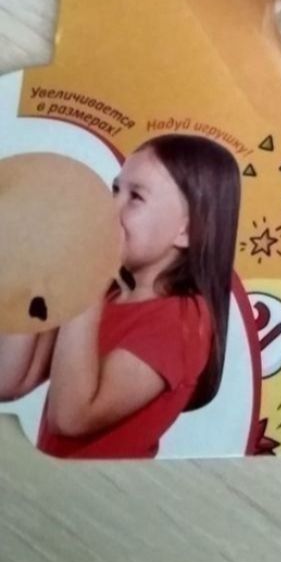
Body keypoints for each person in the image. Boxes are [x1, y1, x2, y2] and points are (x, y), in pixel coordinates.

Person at [0, 134, 240, 458]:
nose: (111, 207)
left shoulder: (182, 321)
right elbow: (10, 380)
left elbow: (70, 418)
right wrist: (30, 264)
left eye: (135, 197)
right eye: (115, 190)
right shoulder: (109, 294)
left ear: (187, 231)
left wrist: (91, 274)